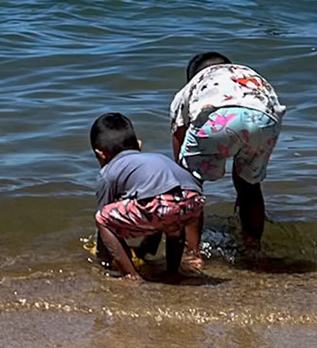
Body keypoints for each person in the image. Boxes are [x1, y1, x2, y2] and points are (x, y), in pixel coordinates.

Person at [170, 53, 286, 261]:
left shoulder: (191, 87)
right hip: (266, 118)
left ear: (193, 77)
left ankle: (192, 253)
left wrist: (186, 177)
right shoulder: (245, 74)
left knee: (190, 184)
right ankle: (252, 247)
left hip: (219, 118)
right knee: (249, 184)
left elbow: (179, 144)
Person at [89, 112, 205, 281]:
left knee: (102, 219)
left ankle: (131, 275)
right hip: (193, 200)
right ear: (139, 145)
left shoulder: (108, 173)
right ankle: (173, 271)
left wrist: (103, 258)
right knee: (171, 217)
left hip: (161, 204)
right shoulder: (154, 159)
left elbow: (107, 222)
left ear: (100, 154)